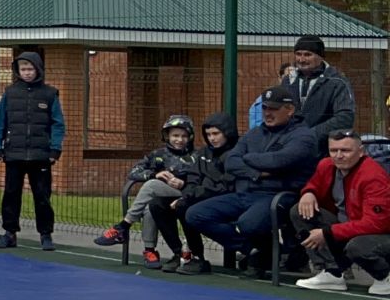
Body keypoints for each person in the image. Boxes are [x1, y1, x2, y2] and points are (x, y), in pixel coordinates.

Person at [184, 86, 320, 277]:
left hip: (278, 195)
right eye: (265, 108)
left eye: (274, 109)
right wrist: (257, 173)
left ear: (289, 110)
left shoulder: (303, 135)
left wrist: (248, 158)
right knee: (195, 214)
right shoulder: (254, 133)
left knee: (248, 224)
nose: (268, 113)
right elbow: (231, 161)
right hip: (245, 192)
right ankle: (261, 252)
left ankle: (267, 254)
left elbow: (279, 160)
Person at [288, 131, 390, 295]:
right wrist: (308, 193)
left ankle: (385, 276)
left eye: (346, 150)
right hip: (347, 225)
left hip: (380, 233)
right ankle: (332, 272)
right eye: (333, 150)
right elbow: (314, 184)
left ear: (361, 151)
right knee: (300, 211)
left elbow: (377, 224)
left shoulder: (373, 176)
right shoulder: (326, 165)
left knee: (357, 247)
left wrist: (328, 232)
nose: (339, 156)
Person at [94, 115, 198, 265]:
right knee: (150, 207)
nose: (179, 140)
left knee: (151, 185)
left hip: (187, 194)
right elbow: (133, 172)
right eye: (175, 136)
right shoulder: (158, 155)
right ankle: (150, 250)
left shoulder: (196, 156)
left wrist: (184, 182)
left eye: (184, 136)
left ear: (190, 137)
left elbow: (202, 180)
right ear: (167, 136)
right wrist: (154, 174)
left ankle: (123, 227)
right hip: (162, 199)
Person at [0, 52, 65, 250]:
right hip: (14, 153)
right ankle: (10, 233)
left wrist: (55, 149)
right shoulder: (10, 93)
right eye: (23, 69)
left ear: (38, 69)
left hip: (41, 156)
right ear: (18, 71)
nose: (27, 73)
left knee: (42, 196)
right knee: (11, 195)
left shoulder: (50, 94)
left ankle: (46, 234)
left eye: (30, 69)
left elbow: (58, 124)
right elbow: (0, 121)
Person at [151, 112, 239, 275]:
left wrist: (188, 198)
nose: (212, 138)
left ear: (227, 133)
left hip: (224, 199)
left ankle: (198, 257)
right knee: (157, 204)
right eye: (208, 134)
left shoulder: (235, 154)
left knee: (185, 207)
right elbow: (193, 178)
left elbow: (224, 186)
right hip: (198, 196)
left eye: (216, 134)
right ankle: (179, 253)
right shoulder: (204, 153)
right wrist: (187, 195)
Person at [289, 35, 354, 153]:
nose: (301, 60)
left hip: (323, 150)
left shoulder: (337, 82)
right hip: (291, 147)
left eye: (307, 55)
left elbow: (345, 118)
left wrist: (311, 135)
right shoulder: (288, 81)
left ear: (320, 57)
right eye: (298, 54)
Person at [249, 61, 293, 130]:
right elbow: (256, 128)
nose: (291, 80)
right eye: (287, 77)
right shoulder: (263, 100)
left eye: (293, 77)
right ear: (280, 78)